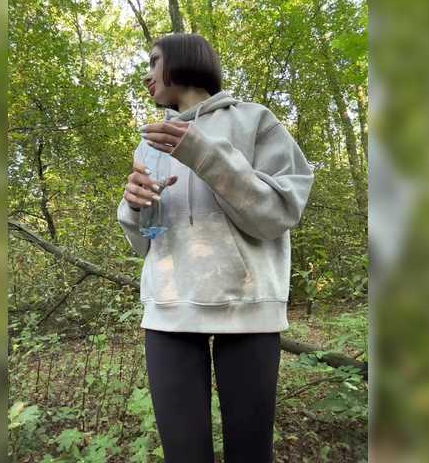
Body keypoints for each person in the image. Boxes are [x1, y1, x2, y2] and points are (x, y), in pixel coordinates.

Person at [116, 33, 315, 463]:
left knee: (250, 454)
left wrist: (203, 154)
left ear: (183, 60)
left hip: (247, 306)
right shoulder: (150, 142)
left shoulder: (255, 121)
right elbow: (145, 244)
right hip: (168, 308)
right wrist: (132, 206)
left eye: (153, 62)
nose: (146, 75)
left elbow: (279, 213)